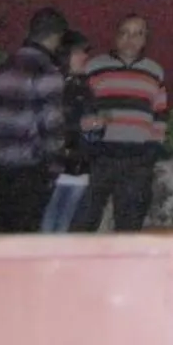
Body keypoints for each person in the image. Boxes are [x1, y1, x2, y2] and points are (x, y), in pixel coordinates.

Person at [73, 14, 168, 233]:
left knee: (129, 224)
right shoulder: (94, 67)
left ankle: (125, 266)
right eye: (125, 32)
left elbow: (160, 114)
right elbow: (82, 107)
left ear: (145, 39)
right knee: (84, 220)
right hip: (100, 158)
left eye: (138, 34)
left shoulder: (155, 71)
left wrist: (152, 149)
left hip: (137, 160)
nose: (130, 39)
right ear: (116, 36)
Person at [0, 6, 69, 233]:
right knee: (23, 234)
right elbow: (51, 125)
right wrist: (55, 164)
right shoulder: (48, 73)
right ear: (55, 37)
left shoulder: (0, 68)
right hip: (28, 167)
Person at [41, 30, 99, 234]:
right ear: (65, 55)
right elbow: (45, 125)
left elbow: (93, 126)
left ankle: (57, 265)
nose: (84, 57)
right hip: (56, 168)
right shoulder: (51, 85)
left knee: (64, 224)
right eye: (78, 53)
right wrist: (77, 126)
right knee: (48, 224)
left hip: (80, 167)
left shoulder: (84, 87)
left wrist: (96, 127)